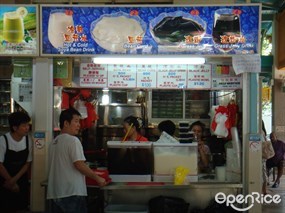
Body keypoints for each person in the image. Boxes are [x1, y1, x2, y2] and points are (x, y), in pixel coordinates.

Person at [47, 108, 106, 213]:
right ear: (66, 123)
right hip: (71, 194)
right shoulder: (73, 140)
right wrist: (98, 178)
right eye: (76, 121)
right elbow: (79, 164)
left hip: (54, 194)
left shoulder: (54, 142)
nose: (79, 125)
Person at [0, 111, 32, 212]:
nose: (27, 128)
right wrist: (10, 181)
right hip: (4, 182)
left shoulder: (29, 140)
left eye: (28, 124)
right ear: (14, 128)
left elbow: (27, 163)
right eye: (24, 125)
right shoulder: (3, 140)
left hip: (21, 181)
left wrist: (13, 181)